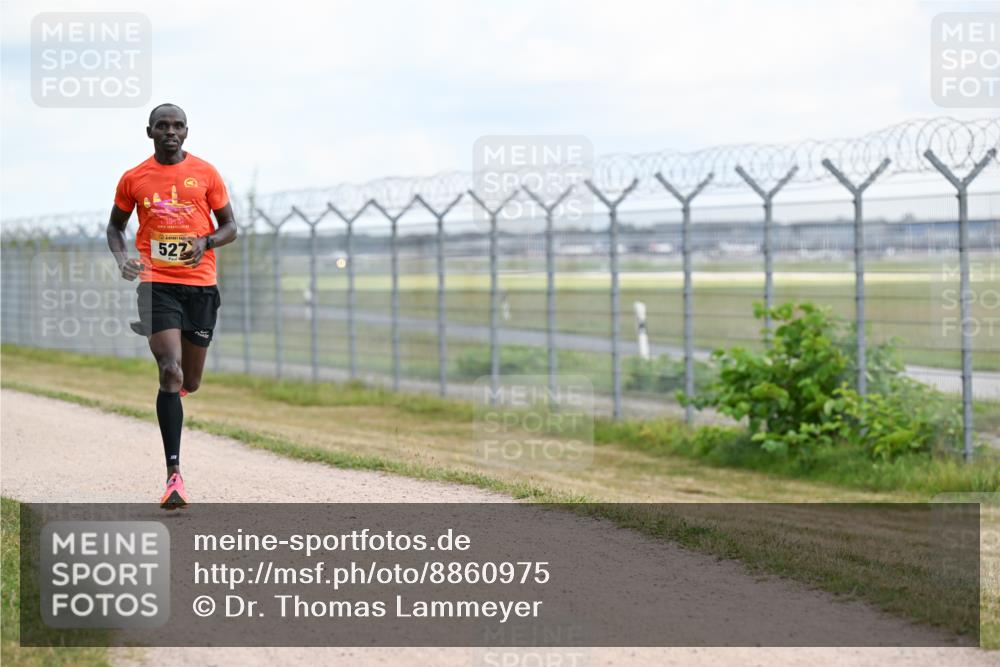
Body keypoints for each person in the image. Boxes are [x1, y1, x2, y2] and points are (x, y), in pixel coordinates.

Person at [106, 103, 237, 510]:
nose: (170, 131)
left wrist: (206, 242)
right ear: (150, 132)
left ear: (186, 132)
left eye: (177, 125)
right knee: (170, 370)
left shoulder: (207, 173)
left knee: (190, 382)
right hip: (156, 284)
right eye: (162, 126)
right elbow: (115, 226)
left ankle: (176, 390)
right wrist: (122, 257)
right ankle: (174, 475)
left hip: (200, 287)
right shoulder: (134, 178)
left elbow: (231, 226)